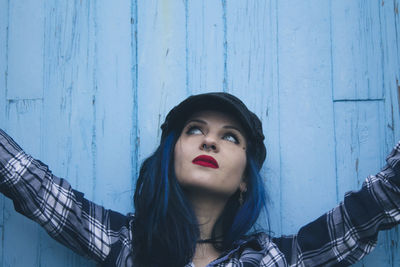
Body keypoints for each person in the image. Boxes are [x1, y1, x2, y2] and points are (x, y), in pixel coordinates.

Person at [0, 92, 399, 267]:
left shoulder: (274, 261)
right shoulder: (128, 247)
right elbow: (31, 184)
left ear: (246, 179)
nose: (209, 139)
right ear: (170, 156)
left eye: (230, 137)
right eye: (194, 129)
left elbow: (367, 209)